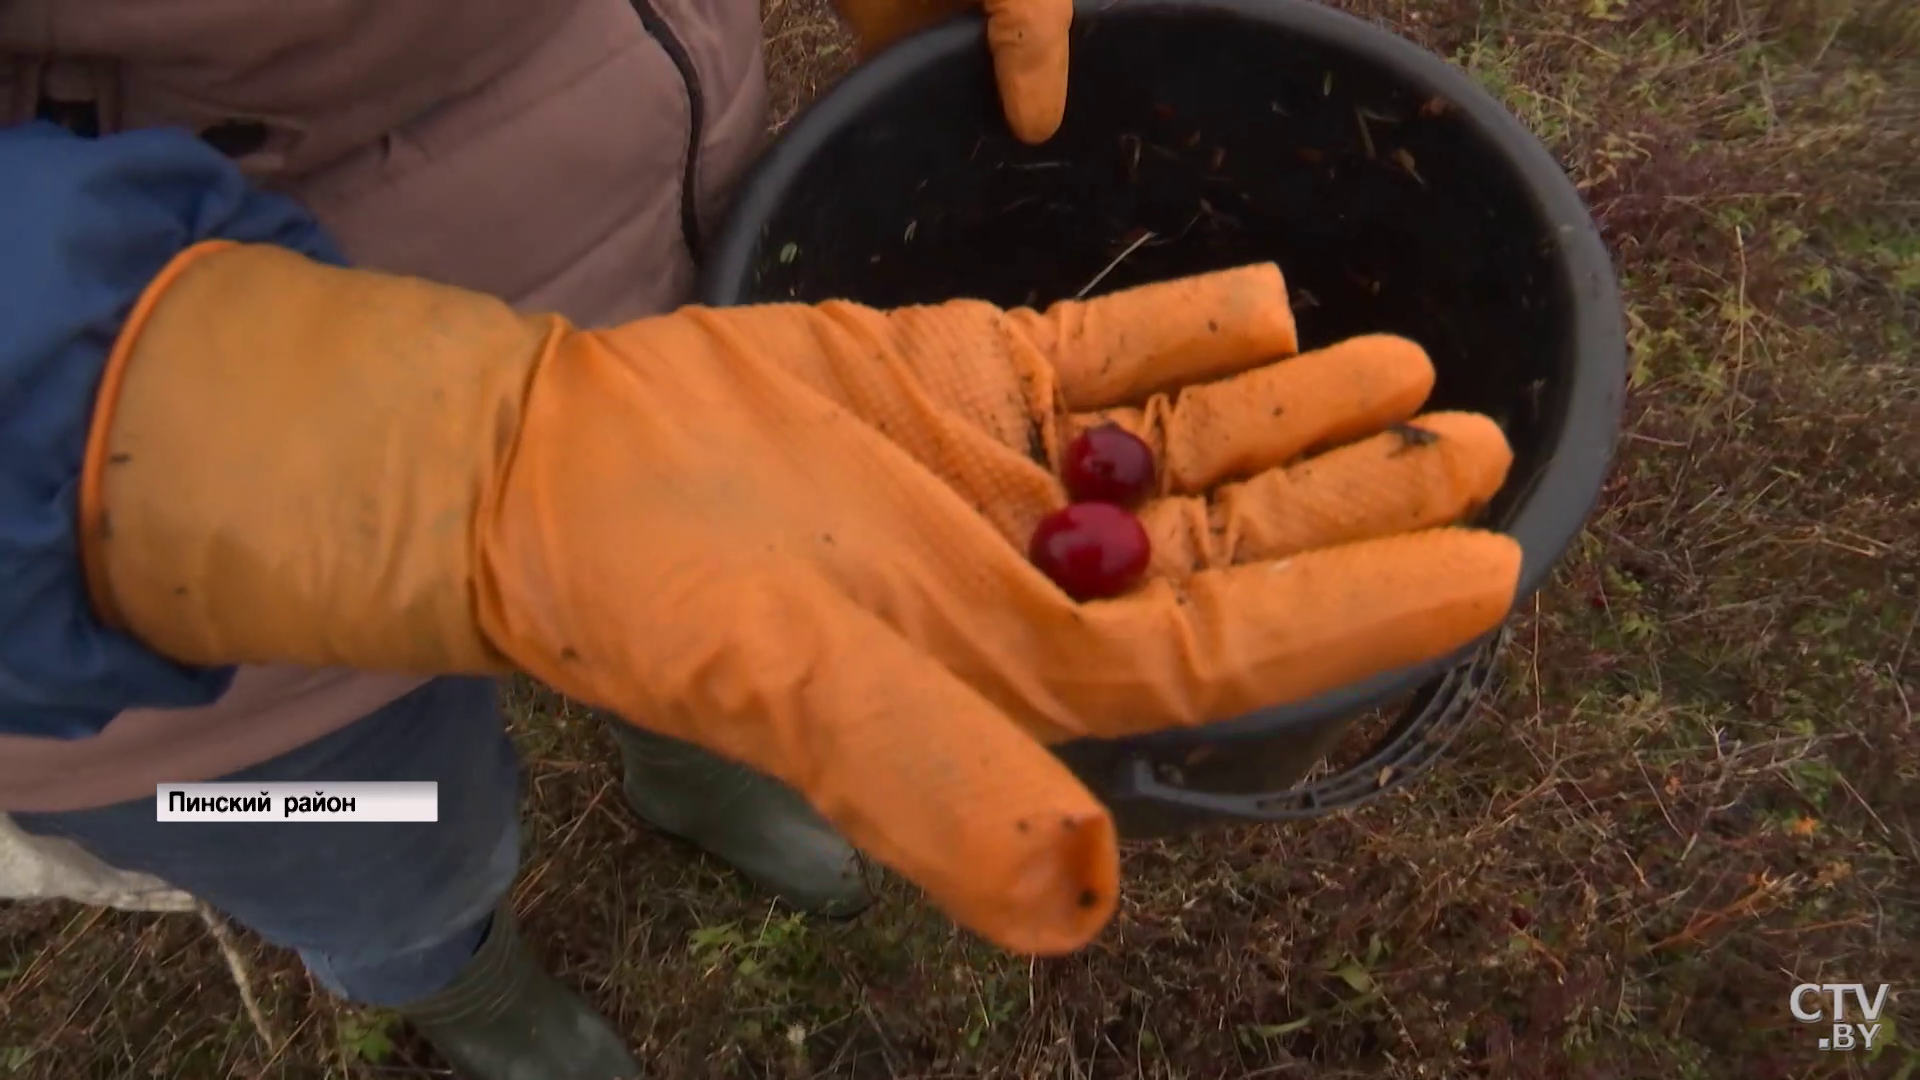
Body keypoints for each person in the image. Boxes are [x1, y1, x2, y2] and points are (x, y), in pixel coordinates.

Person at [0, 1, 1523, 1076]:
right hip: (132, 572)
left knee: (713, 628)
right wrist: (144, 427)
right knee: (368, 841)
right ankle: (453, 978)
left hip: (645, 300)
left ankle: (685, 766)